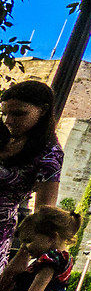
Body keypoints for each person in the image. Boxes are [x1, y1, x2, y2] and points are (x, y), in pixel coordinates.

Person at [0, 83, 63, 270]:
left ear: (43, 110)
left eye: (19, 114)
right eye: (4, 113)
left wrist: (21, 258)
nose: (8, 120)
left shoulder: (49, 154)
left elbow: (44, 213)